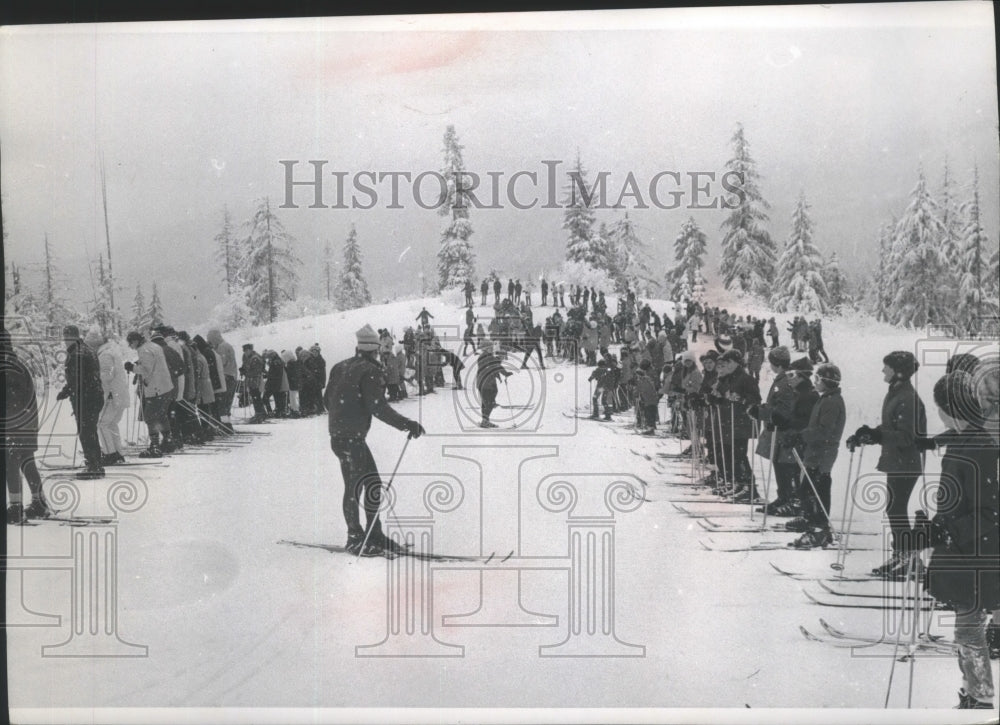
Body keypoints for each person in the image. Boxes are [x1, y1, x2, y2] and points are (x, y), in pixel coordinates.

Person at [913, 371, 999, 709]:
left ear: (949, 409)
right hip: (967, 548)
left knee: (968, 627)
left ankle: (979, 699)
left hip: (979, 552)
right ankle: (973, 693)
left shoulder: (977, 446)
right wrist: (934, 527)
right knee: (969, 624)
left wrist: (947, 530)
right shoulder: (967, 439)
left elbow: (990, 511)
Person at [325, 324, 425, 557]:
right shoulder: (369, 370)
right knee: (357, 486)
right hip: (352, 438)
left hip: (341, 437)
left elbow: (327, 400)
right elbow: (378, 407)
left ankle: (372, 533)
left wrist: (343, 416)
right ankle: (355, 538)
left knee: (369, 484)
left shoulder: (340, 367)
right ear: (375, 350)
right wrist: (406, 424)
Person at [846, 351, 927, 578]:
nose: (883, 370)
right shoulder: (896, 393)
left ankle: (909, 557)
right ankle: (903, 555)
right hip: (897, 461)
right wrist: (869, 434)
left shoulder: (907, 398)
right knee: (894, 508)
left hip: (906, 462)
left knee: (896, 508)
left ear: (898, 371)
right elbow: (890, 428)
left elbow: (906, 437)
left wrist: (877, 436)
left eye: (887, 367)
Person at [787, 363, 845, 547]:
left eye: (818, 379)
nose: (815, 382)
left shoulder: (832, 402)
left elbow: (824, 431)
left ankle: (819, 527)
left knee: (815, 488)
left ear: (827, 382)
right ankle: (813, 522)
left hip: (823, 453)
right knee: (808, 489)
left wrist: (800, 436)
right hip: (816, 451)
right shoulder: (826, 398)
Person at [3, 329, 54, 522]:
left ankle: (15, 508)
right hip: (25, 423)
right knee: (26, 461)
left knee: (10, 462)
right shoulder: (15, 363)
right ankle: (39, 504)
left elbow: (10, 400)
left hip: (13, 425)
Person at [751, 346, 797, 514]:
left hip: (782, 431)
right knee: (778, 463)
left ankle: (788, 498)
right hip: (778, 430)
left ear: (776, 364)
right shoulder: (782, 379)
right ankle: (783, 497)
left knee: (784, 465)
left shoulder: (785, 381)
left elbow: (783, 409)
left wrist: (765, 413)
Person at [56, 325, 105, 478]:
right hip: (94, 396)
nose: (64, 341)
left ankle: (94, 466)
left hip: (86, 398)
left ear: (72, 337)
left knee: (86, 432)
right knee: (90, 431)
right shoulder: (87, 349)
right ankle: (95, 463)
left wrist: (66, 391)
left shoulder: (77, 354)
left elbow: (77, 379)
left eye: (66, 337)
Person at [125, 330, 173, 458]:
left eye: (130, 343)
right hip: (166, 385)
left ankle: (155, 447)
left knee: (150, 416)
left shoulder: (144, 350)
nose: (130, 346)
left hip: (156, 388)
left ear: (135, 341)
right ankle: (168, 441)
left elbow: (146, 370)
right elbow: (154, 364)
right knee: (162, 415)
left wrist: (132, 368)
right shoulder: (154, 346)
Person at [87, 330, 129, 465]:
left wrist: (92, 377)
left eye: (90, 346)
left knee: (101, 424)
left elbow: (107, 375)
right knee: (111, 424)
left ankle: (109, 454)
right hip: (119, 395)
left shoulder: (104, 355)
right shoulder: (111, 352)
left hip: (112, 396)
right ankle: (118, 453)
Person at [208, 328, 239, 433]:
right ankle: (226, 424)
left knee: (222, 403)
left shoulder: (222, 347)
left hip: (226, 377)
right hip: (232, 376)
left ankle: (225, 426)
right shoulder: (228, 345)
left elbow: (221, 362)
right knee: (227, 403)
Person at [476, 342, 511, 428]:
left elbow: (494, 364)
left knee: (487, 401)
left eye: (492, 347)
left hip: (485, 381)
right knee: (489, 401)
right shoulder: (487, 356)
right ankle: (485, 421)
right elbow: (495, 365)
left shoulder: (485, 356)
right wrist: (505, 373)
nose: (492, 348)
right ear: (486, 348)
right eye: (490, 347)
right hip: (486, 382)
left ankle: (485, 420)